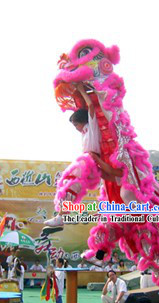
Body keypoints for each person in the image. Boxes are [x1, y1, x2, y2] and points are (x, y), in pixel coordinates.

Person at [44, 83, 101, 228]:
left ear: (83, 121)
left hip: (91, 160)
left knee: (70, 184)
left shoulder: (92, 126)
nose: (76, 128)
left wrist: (82, 89)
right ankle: (62, 215)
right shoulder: (84, 132)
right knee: (68, 185)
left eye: (76, 125)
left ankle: (61, 217)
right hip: (87, 160)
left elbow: (90, 107)